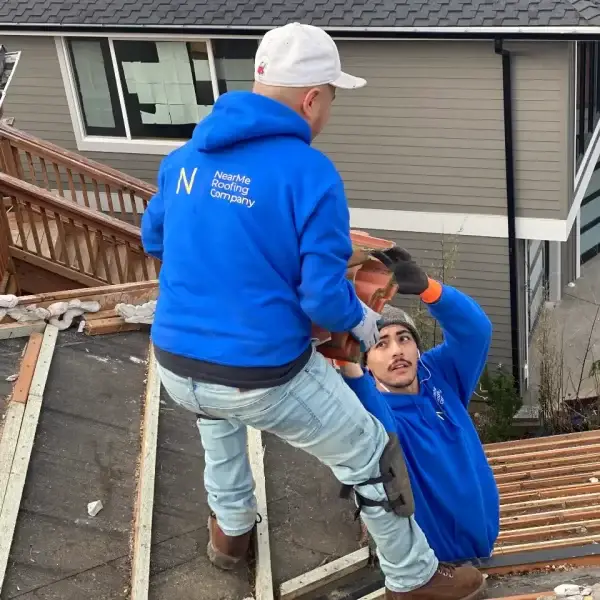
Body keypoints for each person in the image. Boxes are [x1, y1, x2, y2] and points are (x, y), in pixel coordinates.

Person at [141, 22, 486, 599]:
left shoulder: (185, 158)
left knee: (218, 419)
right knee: (371, 451)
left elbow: (157, 237)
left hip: (176, 364)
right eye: (330, 99)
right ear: (311, 98)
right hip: (260, 374)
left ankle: (230, 536)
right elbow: (323, 300)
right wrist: (368, 324)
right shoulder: (309, 173)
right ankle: (414, 578)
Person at [339, 248, 500, 564]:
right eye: (380, 344)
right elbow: (364, 400)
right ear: (367, 362)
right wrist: (344, 355)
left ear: (417, 346)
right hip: (435, 568)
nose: (396, 350)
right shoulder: (369, 409)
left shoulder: (438, 375)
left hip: (484, 546)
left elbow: (476, 331)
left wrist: (430, 289)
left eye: (404, 338)